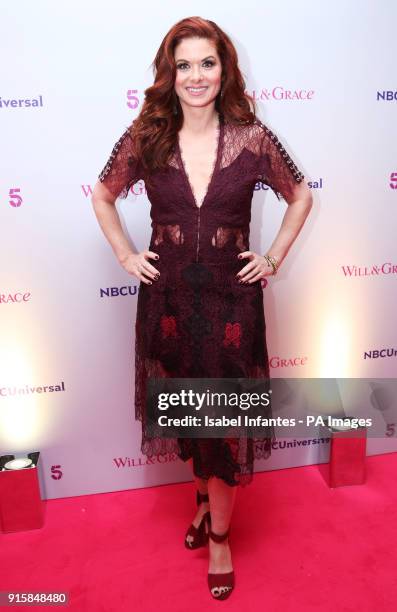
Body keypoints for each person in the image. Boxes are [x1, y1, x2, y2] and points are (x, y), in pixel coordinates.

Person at [91, 16, 313, 601]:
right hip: (167, 301)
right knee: (191, 416)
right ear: (171, 72)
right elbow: (103, 193)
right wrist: (124, 253)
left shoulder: (250, 137)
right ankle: (201, 504)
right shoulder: (148, 134)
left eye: (207, 63)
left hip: (232, 302)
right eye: (184, 64)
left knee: (225, 423)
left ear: (224, 70)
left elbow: (301, 193)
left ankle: (219, 536)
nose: (196, 76)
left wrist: (273, 257)